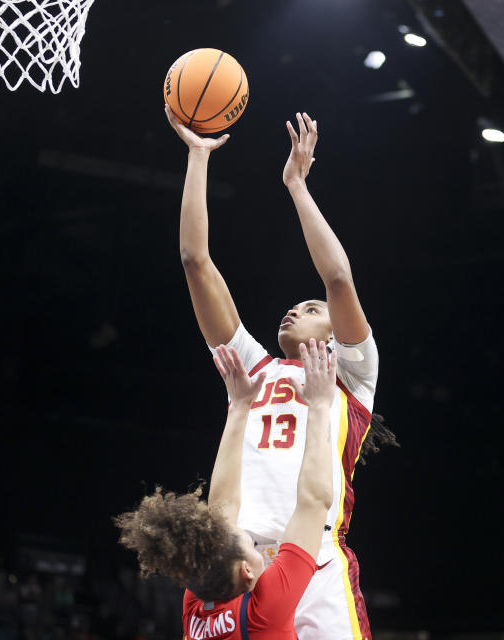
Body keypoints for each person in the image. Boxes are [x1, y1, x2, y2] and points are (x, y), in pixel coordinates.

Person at [165, 104, 397, 639]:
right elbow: (194, 260)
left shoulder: (351, 377)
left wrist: (297, 185)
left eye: (311, 309)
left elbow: (337, 276)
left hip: (312, 559)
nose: (296, 310)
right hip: (236, 564)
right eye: (295, 306)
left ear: (335, 335)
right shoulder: (251, 369)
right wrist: (198, 157)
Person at [115, 339, 336, 639]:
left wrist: (240, 407)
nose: (243, 530)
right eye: (247, 541)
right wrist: (321, 406)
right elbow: (313, 501)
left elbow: (223, 509)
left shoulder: (204, 602)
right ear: (247, 571)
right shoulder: (239, 609)